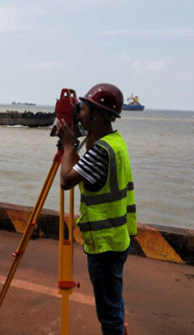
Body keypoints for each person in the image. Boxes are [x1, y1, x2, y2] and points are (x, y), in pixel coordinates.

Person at [56, 83, 137, 335]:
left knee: (109, 315)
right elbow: (88, 173)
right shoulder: (115, 142)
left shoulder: (101, 151)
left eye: (84, 110)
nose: (79, 114)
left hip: (104, 245)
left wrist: (69, 144)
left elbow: (66, 180)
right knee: (114, 304)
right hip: (117, 238)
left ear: (98, 115)